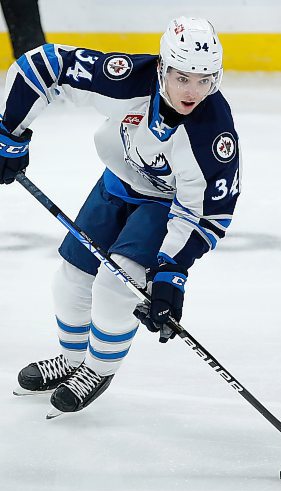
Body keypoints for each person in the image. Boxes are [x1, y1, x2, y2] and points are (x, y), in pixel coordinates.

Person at [0, 17, 241, 416]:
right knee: (72, 275)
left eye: (204, 80)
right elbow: (41, 65)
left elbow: (209, 215)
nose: (193, 91)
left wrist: (170, 274)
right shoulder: (128, 79)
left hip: (166, 206)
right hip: (116, 184)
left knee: (116, 285)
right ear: (162, 68)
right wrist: (9, 134)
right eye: (182, 77)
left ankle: (97, 369)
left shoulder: (213, 134)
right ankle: (73, 360)